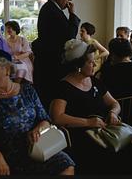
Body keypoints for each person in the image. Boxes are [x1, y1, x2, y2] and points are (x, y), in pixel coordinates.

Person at [0, 49, 75, 175]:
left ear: (7, 70)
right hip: (6, 155)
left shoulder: (28, 91)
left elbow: (45, 119)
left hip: (36, 149)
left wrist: (39, 129)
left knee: (66, 164)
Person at [49, 39, 121, 174]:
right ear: (78, 66)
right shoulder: (63, 87)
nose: (94, 64)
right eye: (90, 62)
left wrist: (113, 113)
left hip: (102, 132)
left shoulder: (94, 81)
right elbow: (57, 117)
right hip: (80, 137)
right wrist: (88, 122)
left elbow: (114, 103)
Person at [33, 0, 81, 109]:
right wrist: (73, 14)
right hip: (52, 65)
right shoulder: (52, 11)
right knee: (50, 100)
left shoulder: (51, 9)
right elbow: (69, 36)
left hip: (48, 62)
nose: (69, 0)